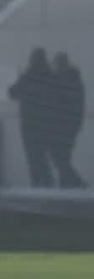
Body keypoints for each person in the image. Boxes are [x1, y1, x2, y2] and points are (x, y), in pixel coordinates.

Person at [8, 48, 56, 188]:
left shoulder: (29, 76)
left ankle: (38, 182)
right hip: (47, 123)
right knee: (43, 154)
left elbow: (12, 92)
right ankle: (47, 180)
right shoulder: (50, 76)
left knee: (33, 155)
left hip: (29, 123)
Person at [48, 52, 86, 188]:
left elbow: (59, 102)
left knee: (60, 158)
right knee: (62, 158)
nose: (54, 66)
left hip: (63, 126)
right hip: (69, 126)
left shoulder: (64, 80)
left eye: (56, 64)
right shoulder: (74, 80)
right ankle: (67, 184)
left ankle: (76, 183)